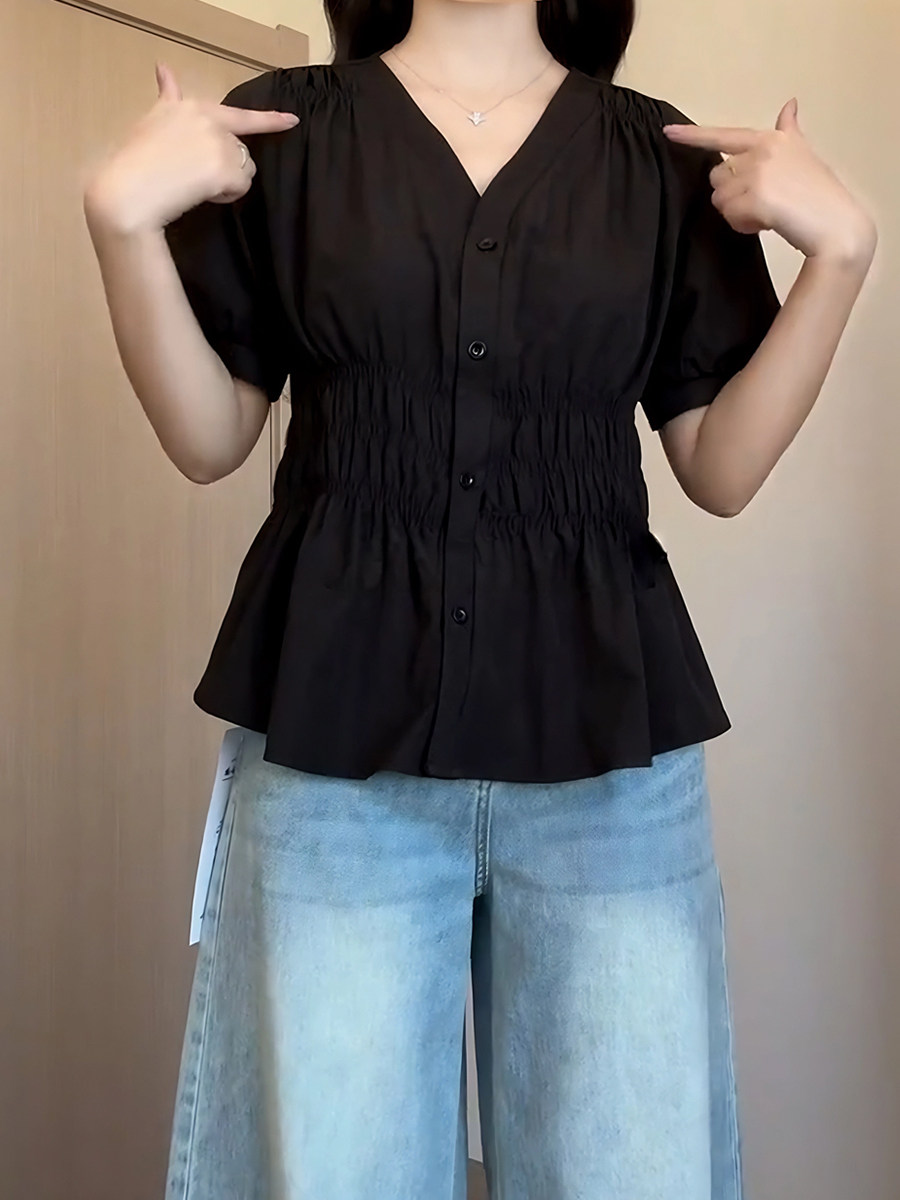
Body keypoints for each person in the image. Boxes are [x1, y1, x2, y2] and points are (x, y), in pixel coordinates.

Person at [82, 0, 876, 1193]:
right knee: (334, 1170)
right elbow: (209, 437)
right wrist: (122, 226)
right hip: (336, 745)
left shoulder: (653, 155)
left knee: (629, 1170)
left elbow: (720, 467)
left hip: (610, 752)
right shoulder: (286, 131)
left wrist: (842, 258)